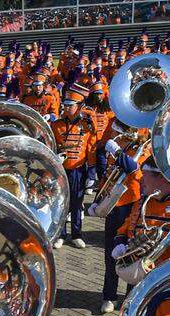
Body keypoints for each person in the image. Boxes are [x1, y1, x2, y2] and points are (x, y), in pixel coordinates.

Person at [90, 125, 147, 316]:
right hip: (114, 205)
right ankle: (109, 296)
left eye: (119, 130)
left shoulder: (143, 147)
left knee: (133, 252)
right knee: (110, 253)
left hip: (132, 204)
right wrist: (98, 200)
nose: (115, 134)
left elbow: (134, 170)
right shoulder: (117, 145)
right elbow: (109, 176)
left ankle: (131, 297)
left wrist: (117, 151)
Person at [50, 84, 97, 250]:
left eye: (70, 105)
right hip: (61, 170)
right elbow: (51, 146)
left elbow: (91, 148)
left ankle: (76, 234)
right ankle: (60, 235)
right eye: (66, 105)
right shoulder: (56, 125)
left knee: (77, 203)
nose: (66, 108)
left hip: (78, 170)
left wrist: (92, 170)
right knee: (62, 203)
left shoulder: (87, 125)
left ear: (79, 107)